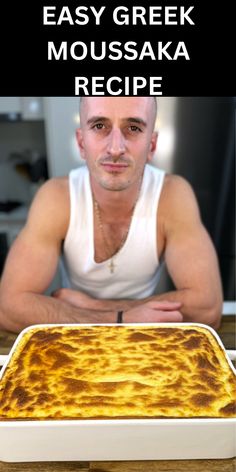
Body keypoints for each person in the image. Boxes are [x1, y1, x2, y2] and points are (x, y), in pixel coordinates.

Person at [0, 97, 223, 333]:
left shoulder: (172, 195)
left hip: (144, 340)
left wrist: (92, 307)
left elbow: (207, 309)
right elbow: (8, 307)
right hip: (80, 342)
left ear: (152, 146)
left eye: (134, 128)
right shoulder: (57, 197)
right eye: (99, 126)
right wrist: (121, 318)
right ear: (81, 143)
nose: (116, 148)